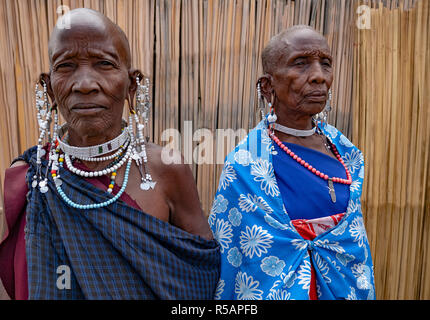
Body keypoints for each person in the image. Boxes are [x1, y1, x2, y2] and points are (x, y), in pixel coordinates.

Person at [0, 8, 219, 300]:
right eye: (66, 66)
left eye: (104, 64)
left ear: (132, 85)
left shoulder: (166, 169)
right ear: (49, 87)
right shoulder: (28, 179)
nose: (86, 84)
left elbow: (201, 275)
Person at [209, 25, 375, 300]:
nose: (319, 77)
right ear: (267, 85)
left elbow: (353, 246)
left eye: (326, 64)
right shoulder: (246, 165)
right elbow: (238, 260)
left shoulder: (346, 152)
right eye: (301, 64)